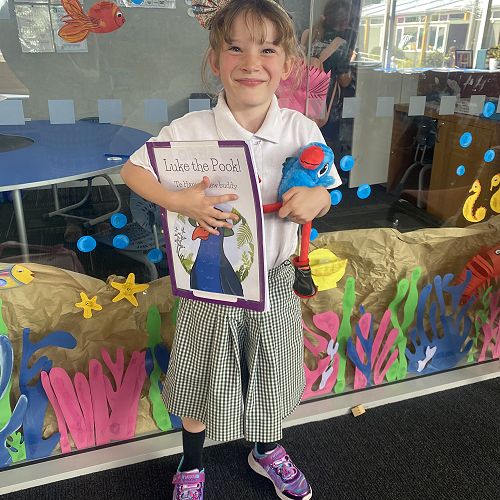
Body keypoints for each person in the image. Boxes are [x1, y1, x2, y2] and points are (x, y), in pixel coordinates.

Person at [121, 1, 341, 499]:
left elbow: (328, 188)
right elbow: (133, 170)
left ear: (288, 63)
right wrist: (178, 200)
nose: (250, 63)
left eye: (267, 50)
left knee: (271, 374)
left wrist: (318, 200)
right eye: (235, 48)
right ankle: (192, 462)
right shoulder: (190, 130)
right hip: (209, 286)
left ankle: (266, 450)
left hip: (276, 281)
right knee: (201, 377)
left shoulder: (301, 130)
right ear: (214, 59)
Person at [301, 0, 357, 161]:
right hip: (326, 106)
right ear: (345, 20)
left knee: (305, 140)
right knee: (325, 144)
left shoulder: (309, 35)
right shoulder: (341, 44)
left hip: (301, 101)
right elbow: (344, 80)